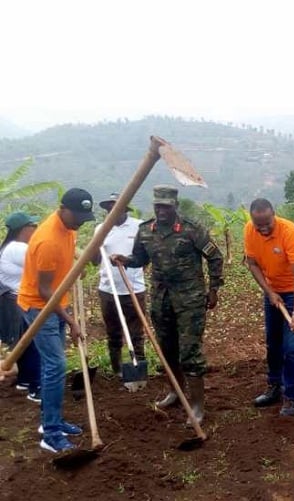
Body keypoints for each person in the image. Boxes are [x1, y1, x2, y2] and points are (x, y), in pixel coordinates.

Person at [111, 185, 223, 424]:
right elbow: (141, 259)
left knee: (189, 352)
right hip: (162, 300)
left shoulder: (192, 230)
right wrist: (125, 260)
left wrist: (213, 289)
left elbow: (215, 257)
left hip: (189, 300)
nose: (161, 211)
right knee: (166, 348)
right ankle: (175, 391)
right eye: (157, 206)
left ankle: (196, 405)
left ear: (175, 207)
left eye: (166, 206)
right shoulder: (146, 231)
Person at [18, 188, 95, 453]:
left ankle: (52, 421)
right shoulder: (47, 240)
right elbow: (44, 291)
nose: (81, 222)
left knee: (54, 366)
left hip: (56, 303)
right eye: (79, 216)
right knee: (55, 366)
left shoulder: (69, 226)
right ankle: (50, 434)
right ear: (63, 208)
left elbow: (69, 254)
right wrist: (71, 320)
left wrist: (78, 268)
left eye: (86, 217)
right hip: (40, 307)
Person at [245, 198, 294, 416]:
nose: (263, 229)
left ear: (274, 215)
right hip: (273, 289)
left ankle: (291, 395)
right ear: (253, 220)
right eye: (259, 225)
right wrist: (269, 292)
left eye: (267, 224)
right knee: (273, 341)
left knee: (292, 345)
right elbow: (252, 264)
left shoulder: (289, 231)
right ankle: (274, 385)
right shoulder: (250, 231)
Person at [93, 193, 146, 378]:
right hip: (108, 289)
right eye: (109, 208)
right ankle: (117, 369)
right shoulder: (100, 229)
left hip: (134, 288)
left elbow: (144, 256)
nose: (111, 211)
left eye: (115, 207)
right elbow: (94, 260)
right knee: (113, 332)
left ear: (124, 208)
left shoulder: (139, 226)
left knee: (136, 333)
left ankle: (138, 368)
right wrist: (95, 246)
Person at [0, 212, 41, 401]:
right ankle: (35, 387)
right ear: (24, 229)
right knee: (32, 344)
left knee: (23, 343)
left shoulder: (9, 247)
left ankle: (24, 380)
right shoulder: (17, 248)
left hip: (12, 301)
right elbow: (41, 262)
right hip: (16, 301)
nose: (35, 231)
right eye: (33, 227)